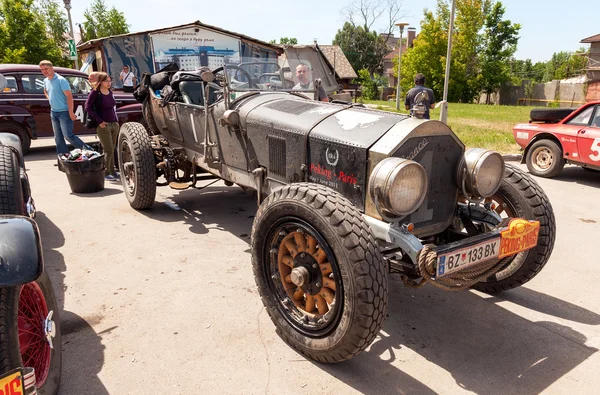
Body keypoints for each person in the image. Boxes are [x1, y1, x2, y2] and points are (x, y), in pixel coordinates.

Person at [39, 60, 91, 155]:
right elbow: (45, 91)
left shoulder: (61, 80)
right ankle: (62, 155)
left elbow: (69, 96)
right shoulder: (46, 80)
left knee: (68, 135)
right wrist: (50, 99)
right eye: (42, 70)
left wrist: (71, 112)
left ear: (52, 68)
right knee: (58, 137)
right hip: (54, 112)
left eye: (46, 69)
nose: (44, 71)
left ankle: (89, 151)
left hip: (65, 112)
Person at [86, 72, 120, 181]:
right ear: (101, 81)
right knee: (108, 149)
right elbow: (88, 107)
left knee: (113, 148)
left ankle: (112, 171)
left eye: (110, 81)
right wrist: (100, 121)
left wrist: (116, 121)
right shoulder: (95, 93)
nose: (109, 83)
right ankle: (105, 172)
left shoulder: (109, 92)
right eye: (107, 81)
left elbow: (112, 108)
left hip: (113, 124)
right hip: (103, 125)